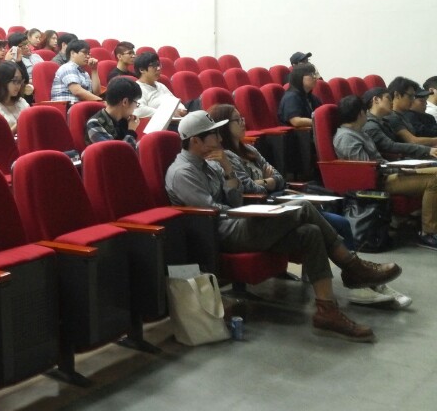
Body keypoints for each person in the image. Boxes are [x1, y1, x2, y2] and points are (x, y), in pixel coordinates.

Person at [166, 110, 402, 342]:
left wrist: (228, 169)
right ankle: (352, 265)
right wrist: (249, 212)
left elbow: (236, 200)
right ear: (195, 141)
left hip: (238, 222)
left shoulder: (213, 163)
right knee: (303, 208)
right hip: (220, 233)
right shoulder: (182, 172)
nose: (220, 138)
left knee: (310, 232)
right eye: (213, 134)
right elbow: (213, 213)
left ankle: (327, 311)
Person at [205, 104, 404, 309]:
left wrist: (267, 182)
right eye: (237, 120)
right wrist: (267, 182)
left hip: (279, 199)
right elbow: (249, 189)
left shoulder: (251, 150)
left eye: (242, 117)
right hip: (265, 207)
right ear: (223, 127)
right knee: (336, 223)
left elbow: (279, 178)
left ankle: (361, 278)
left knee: (337, 221)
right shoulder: (225, 157)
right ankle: (358, 278)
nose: (243, 122)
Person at [335, 94, 437, 250]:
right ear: (360, 113)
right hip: (379, 181)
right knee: (434, 179)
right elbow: (367, 169)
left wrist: (403, 167)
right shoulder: (347, 138)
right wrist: (398, 168)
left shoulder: (359, 133)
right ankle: (428, 232)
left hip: (386, 172)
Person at [361, 87, 436, 160]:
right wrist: (427, 150)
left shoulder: (384, 121)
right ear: (376, 99)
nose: (392, 102)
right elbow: (391, 146)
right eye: (388, 98)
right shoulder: (370, 125)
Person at [85, 77, 140, 147]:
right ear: (125, 102)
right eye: (136, 103)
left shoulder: (124, 120)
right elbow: (117, 151)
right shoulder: (94, 124)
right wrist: (131, 131)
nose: (136, 107)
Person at [386, 77, 437, 146]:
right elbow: (413, 141)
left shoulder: (402, 116)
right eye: (410, 96)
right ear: (397, 95)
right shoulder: (392, 117)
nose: (412, 100)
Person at [134, 51, 186, 117]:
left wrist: (181, 109)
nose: (158, 69)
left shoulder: (161, 85)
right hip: (161, 121)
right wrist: (168, 113)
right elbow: (139, 111)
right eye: (154, 66)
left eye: (158, 65)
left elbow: (175, 101)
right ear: (142, 70)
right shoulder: (137, 88)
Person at [0, 62, 29, 133]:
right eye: (15, 81)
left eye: (20, 81)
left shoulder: (21, 101)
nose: (18, 85)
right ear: (3, 81)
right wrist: (19, 124)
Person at [278, 63, 322, 127]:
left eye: (315, 74)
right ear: (299, 77)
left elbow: (321, 113)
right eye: (311, 75)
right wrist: (320, 122)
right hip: (298, 132)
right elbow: (296, 121)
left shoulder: (312, 97)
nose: (315, 77)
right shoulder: (291, 97)